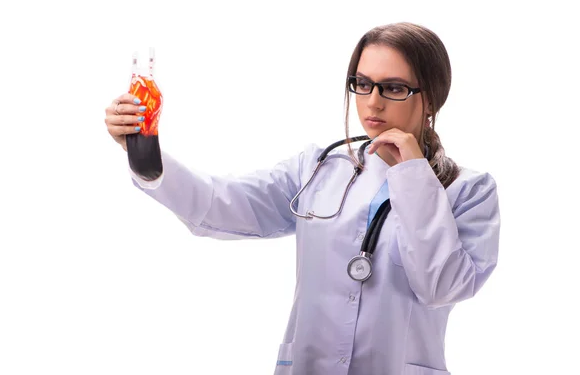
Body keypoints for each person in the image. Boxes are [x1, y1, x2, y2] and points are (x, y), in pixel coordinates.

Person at [103, 22, 500, 375]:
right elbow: (219, 205)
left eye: (393, 88)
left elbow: (441, 287)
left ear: (430, 98)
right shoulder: (319, 167)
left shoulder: (469, 191)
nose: (372, 101)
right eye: (362, 84)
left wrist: (412, 176)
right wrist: (146, 154)